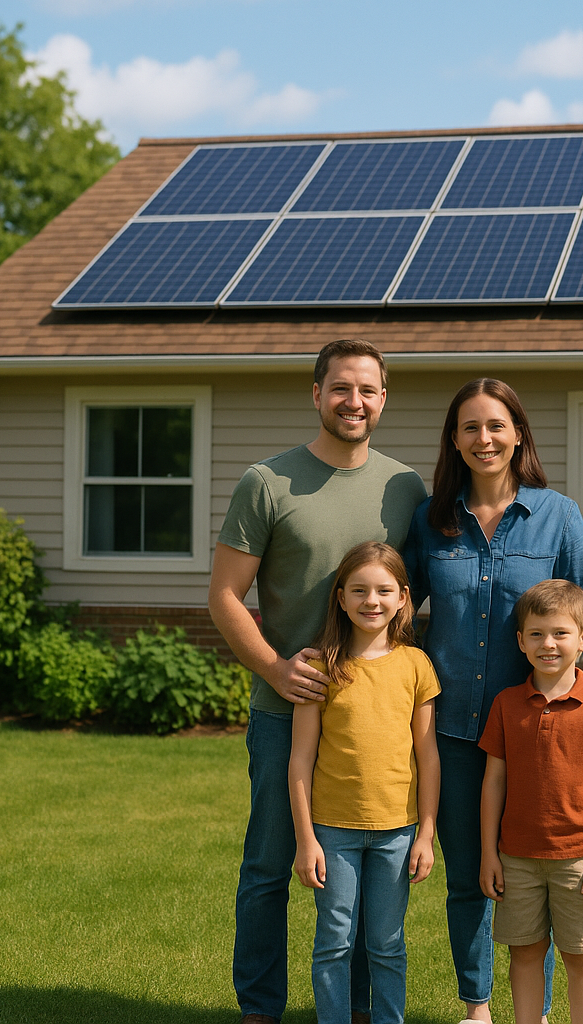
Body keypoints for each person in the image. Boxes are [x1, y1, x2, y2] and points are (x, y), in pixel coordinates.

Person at [209, 340, 428, 1024]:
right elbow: (223, 595)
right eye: (340, 388)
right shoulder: (267, 483)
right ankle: (260, 1008)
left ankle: (359, 1009)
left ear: (384, 399)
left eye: (367, 389)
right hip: (287, 711)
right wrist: (276, 668)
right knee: (270, 867)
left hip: (378, 723)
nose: (354, 401)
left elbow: (413, 599)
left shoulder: (406, 488)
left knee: (365, 880)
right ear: (316, 393)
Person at [403, 378, 583, 1023]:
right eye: (471, 427)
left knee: (549, 866)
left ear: (518, 434)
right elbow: (397, 610)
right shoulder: (431, 520)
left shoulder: (557, 514)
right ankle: (478, 1008)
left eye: (497, 426)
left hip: (539, 733)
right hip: (451, 731)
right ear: (455, 439)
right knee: (471, 877)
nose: (485, 439)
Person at [289, 541, 440, 1024]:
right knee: (334, 941)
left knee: (387, 944)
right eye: (359, 590)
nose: (371, 600)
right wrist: (305, 839)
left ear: (402, 598)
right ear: (340, 597)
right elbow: (300, 760)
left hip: (398, 830)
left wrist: (427, 834)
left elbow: (428, 755)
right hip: (332, 831)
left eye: (383, 590)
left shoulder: (416, 665)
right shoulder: (319, 666)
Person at [478, 580, 583, 1024]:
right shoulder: (506, 704)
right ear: (521, 641)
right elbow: (494, 783)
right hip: (517, 858)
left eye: (561, 633)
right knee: (524, 954)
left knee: (581, 958)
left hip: (580, 859)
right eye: (538, 634)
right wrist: (490, 853)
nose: (549, 644)